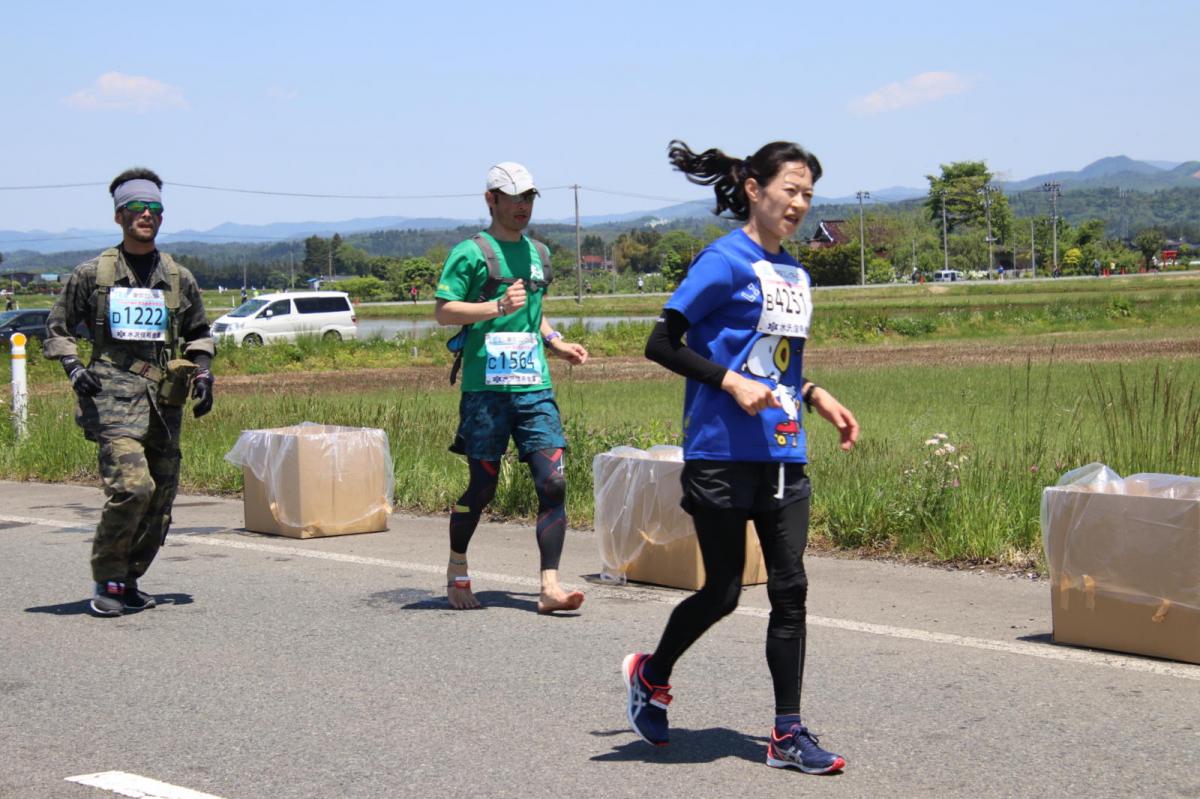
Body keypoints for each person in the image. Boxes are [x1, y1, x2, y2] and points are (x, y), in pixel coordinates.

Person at [623, 141, 859, 774]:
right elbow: (660, 342)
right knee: (724, 590)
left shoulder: (798, 276)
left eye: (809, 194)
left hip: (783, 448)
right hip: (721, 451)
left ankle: (787, 733)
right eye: (791, 190)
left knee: (790, 587)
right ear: (754, 188)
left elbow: (778, 362)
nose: (801, 204)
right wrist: (727, 382)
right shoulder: (723, 262)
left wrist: (813, 393)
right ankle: (652, 673)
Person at [44, 168, 215, 617]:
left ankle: (130, 579)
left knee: (161, 498)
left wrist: (204, 372)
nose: (147, 216)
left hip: (164, 402)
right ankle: (108, 577)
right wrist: (73, 365)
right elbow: (57, 329)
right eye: (138, 208)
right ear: (120, 215)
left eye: (155, 209)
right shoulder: (92, 275)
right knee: (133, 488)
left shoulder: (178, 277)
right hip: (111, 399)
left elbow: (199, 333)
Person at [433, 161, 589, 614]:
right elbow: (444, 312)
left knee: (554, 482)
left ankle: (550, 588)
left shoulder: (539, 253)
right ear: (491, 200)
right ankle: (457, 568)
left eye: (529, 198)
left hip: (532, 384)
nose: (523, 206)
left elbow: (534, 314)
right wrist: (495, 305)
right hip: (485, 388)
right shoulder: (470, 252)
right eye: (514, 197)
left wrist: (557, 344)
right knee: (483, 488)